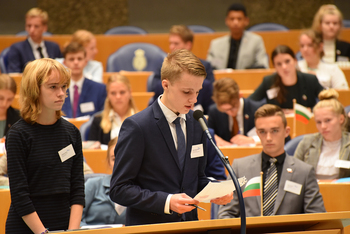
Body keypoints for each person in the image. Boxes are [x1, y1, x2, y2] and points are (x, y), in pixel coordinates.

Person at [109, 49, 232, 226]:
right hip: (150, 228)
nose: (194, 100)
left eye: (197, 92)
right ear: (165, 85)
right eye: (187, 92)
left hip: (189, 225)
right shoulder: (137, 126)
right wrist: (166, 201)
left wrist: (214, 192)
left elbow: (195, 179)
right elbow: (119, 189)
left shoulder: (197, 122)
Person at [5, 58, 85, 233]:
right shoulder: (18, 134)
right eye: (53, 87)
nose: (61, 93)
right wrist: (43, 232)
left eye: (64, 86)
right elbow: (20, 195)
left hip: (65, 225)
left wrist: (73, 231)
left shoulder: (72, 132)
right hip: (27, 228)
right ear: (35, 90)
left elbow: (78, 188)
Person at [218, 104, 326, 218]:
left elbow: (317, 217)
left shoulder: (304, 172)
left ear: (286, 131)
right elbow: (226, 214)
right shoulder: (240, 167)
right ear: (257, 133)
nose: (268, 138)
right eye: (262, 132)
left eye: (274, 131)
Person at [151, 25, 215, 114]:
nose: (172, 47)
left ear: (188, 45)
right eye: (170, 43)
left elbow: (209, 93)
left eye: (176, 43)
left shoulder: (204, 65)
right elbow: (155, 88)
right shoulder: (163, 65)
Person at [294, 89, 350, 179]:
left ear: (341, 119)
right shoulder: (307, 143)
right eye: (319, 122)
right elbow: (293, 174)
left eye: (328, 120)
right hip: (311, 192)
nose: (323, 126)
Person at [249, 45, 324, 110]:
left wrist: (310, 110)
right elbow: (250, 102)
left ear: (295, 61)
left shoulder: (310, 80)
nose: (284, 67)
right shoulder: (269, 81)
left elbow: (327, 101)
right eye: (279, 64)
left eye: (287, 61)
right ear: (275, 67)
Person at [206, 3, 269, 70]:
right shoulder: (216, 44)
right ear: (226, 21)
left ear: (246, 21)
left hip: (247, 79)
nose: (235, 22)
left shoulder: (256, 41)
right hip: (221, 79)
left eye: (239, 19)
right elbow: (209, 68)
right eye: (232, 19)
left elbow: (262, 66)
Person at [81, 137, 126, 226]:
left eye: (123, 158)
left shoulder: (139, 190)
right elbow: (76, 221)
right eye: (114, 159)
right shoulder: (92, 185)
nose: (118, 163)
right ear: (108, 162)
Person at [208, 78, 261, 146]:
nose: (230, 113)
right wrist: (214, 138)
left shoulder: (256, 109)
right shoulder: (214, 111)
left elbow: (269, 135)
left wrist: (251, 140)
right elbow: (208, 133)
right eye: (225, 110)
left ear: (240, 96)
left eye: (233, 108)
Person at [7, 8, 62, 73]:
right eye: (29, 26)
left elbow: (61, 70)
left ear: (44, 28)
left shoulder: (54, 47)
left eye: (36, 26)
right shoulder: (17, 49)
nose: (31, 30)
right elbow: (14, 75)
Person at [88, 74, 138, 145]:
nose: (118, 97)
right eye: (113, 93)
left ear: (130, 93)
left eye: (122, 92)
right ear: (108, 95)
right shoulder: (97, 120)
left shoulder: (142, 120)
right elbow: (93, 152)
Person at [61, 42, 106, 118]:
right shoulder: (58, 88)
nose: (76, 62)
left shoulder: (100, 89)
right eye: (71, 59)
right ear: (65, 63)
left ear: (85, 62)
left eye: (79, 59)